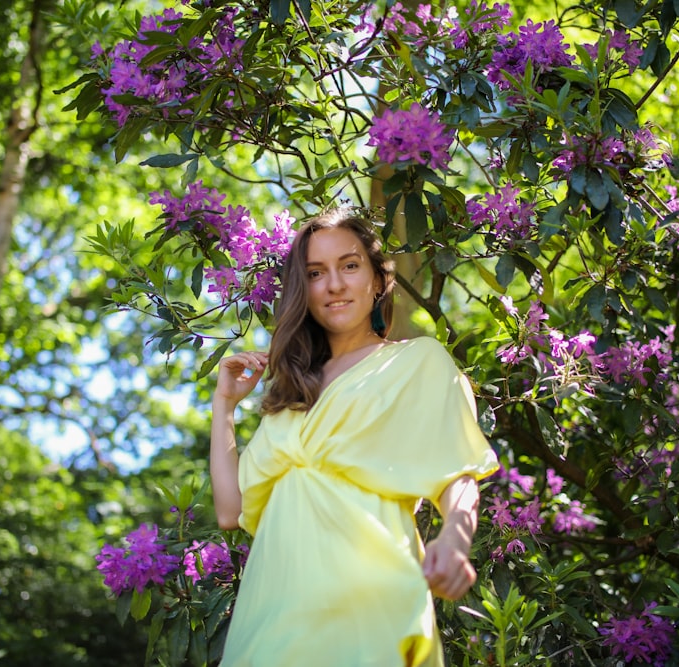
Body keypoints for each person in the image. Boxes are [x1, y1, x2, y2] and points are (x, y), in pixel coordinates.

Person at [210, 207, 499, 666]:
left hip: (372, 607)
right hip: (271, 616)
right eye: (316, 273)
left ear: (379, 278)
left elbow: (456, 472)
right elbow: (232, 510)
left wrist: (455, 538)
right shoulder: (290, 395)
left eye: (349, 265)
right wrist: (224, 407)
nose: (336, 285)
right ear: (303, 291)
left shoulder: (416, 361)